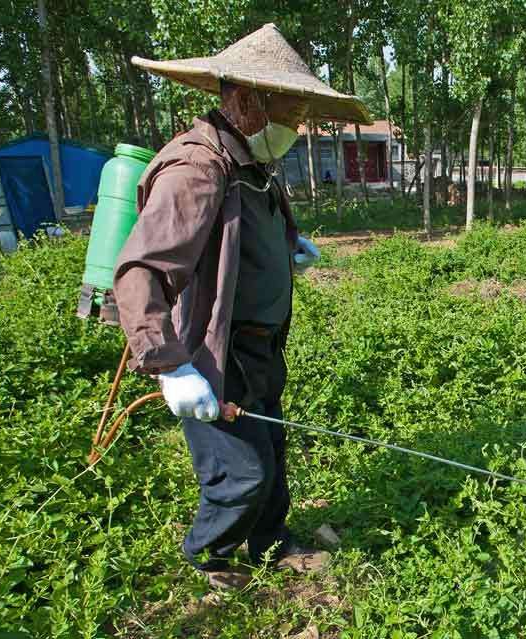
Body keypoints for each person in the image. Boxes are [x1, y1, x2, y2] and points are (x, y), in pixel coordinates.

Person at [113, 24, 371, 590]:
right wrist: (169, 365)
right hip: (214, 350)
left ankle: (272, 543)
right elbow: (140, 273)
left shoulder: (250, 164)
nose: (296, 127)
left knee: (271, 454)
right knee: (242, 470)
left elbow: (240, 236)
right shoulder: (196, 170)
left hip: (259, 347)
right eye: (290, 111)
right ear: (247, 100)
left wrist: (287, 249)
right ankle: (212, 556)